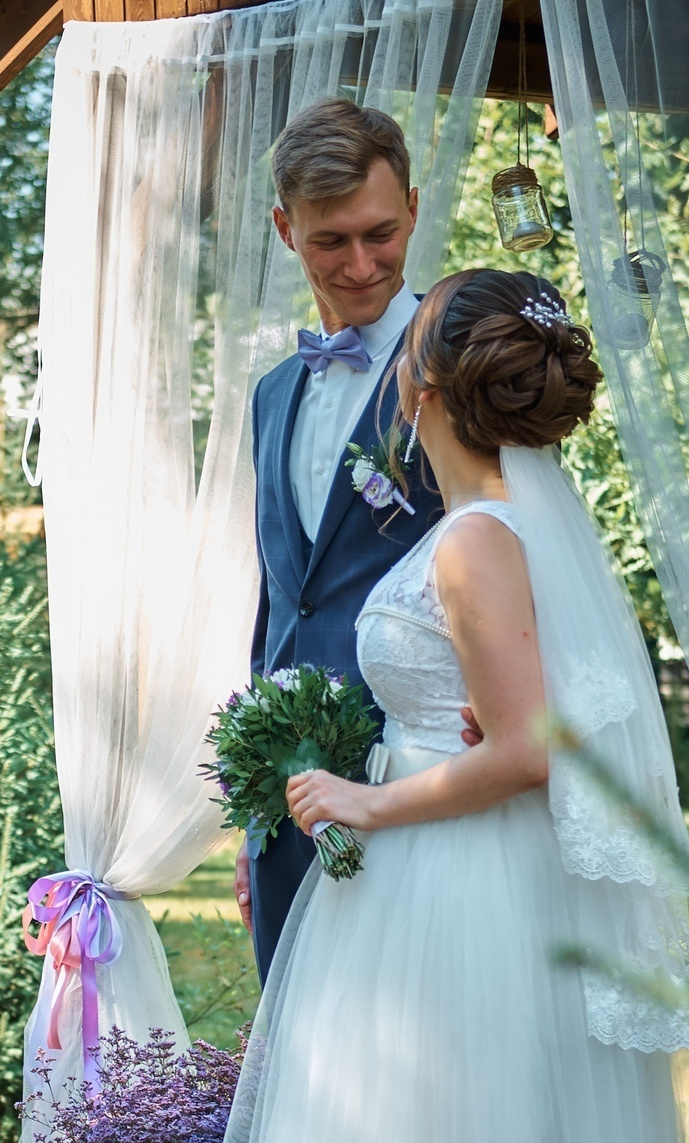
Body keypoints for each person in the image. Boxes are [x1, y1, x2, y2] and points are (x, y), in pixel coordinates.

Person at [131, 271, 689, 1143]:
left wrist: (365, 795)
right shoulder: (487, 530)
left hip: (457, 898)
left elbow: (527, 747)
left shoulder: (473, 542)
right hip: (430, 892)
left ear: (424, 384)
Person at [239, 98, 449, 979]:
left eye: (383, 232)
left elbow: (515, 541)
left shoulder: (459, 365)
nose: (363, 265)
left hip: (415, 775)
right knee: (296, 1074)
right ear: (286, 229)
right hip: (288, 787)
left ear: (411, 206)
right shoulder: (271, 393)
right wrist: (257, 808)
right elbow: (284, 597)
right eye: (332, 241)